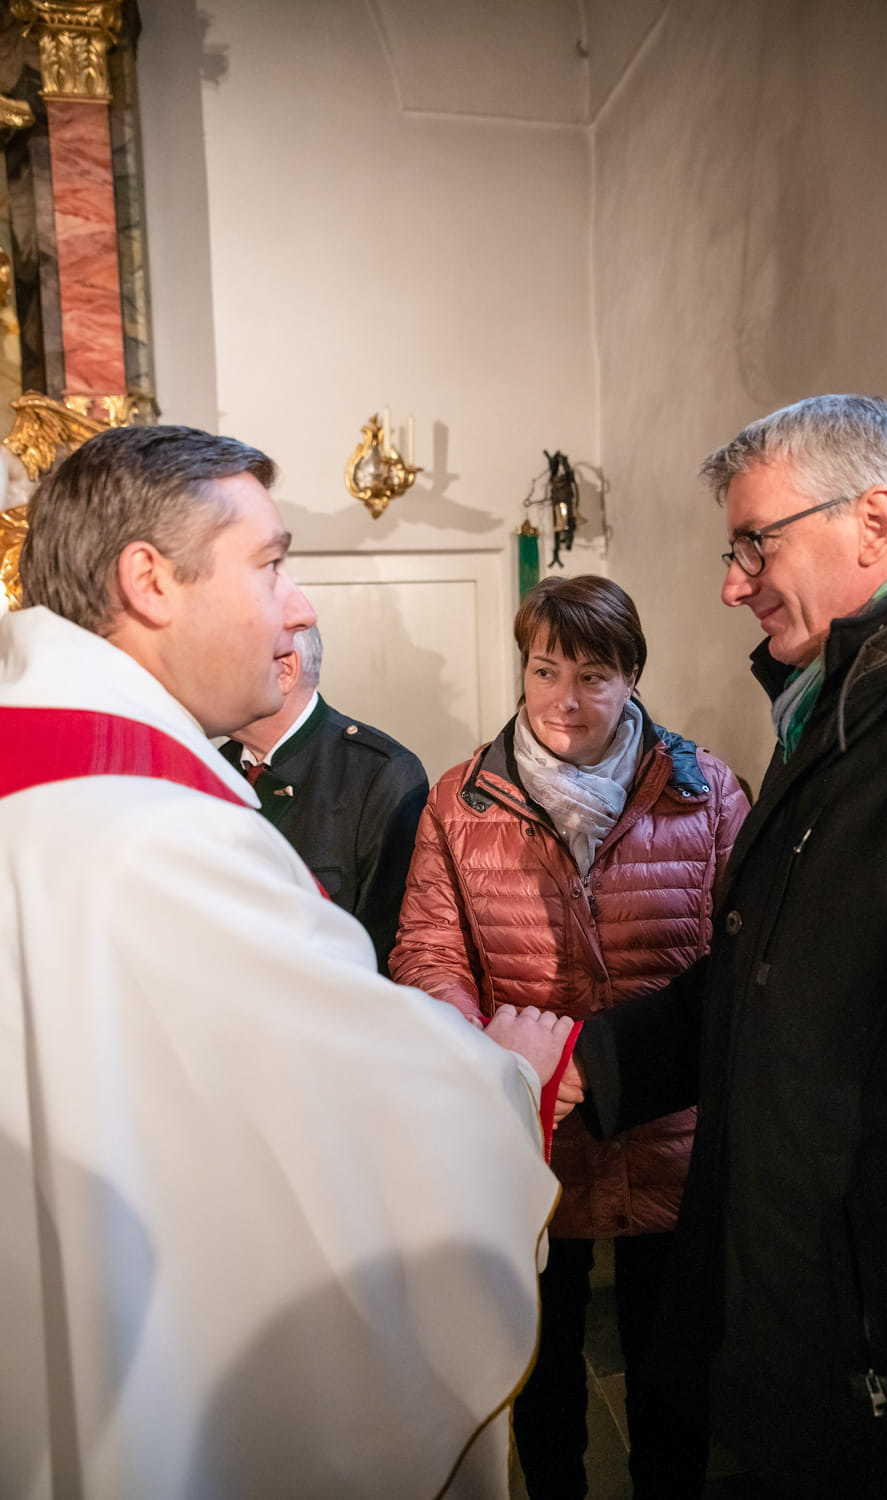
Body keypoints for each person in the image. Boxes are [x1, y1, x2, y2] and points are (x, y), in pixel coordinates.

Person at [0, 423, 573, 1500]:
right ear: (150, 582)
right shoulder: (157, 835)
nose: (293, 605)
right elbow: (349, 1107)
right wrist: (505, 1078)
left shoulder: (44, 771)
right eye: (269, 564)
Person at [542, 395, 887, 1498]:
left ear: (874, 522)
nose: (732, 583)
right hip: (783, 1325)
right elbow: (774, 982)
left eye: (757, 543)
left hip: (880, 1382)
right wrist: (586, 1063)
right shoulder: (840, 710)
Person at [391, 574, 748, 1500]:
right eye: (545, 670)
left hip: (670, 1131)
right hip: (531, 1133)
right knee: (542, 1381)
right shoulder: (461, 802)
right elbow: (428, 952)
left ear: (632, 677)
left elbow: (746, 956)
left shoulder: (705, 792)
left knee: (673, 1381)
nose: (564, 700)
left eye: (593, 676)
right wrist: (497, 1059)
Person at [219, 624, 428, 973]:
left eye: (219, 659)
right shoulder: (211, 767)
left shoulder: (379, 772)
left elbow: (385, 947)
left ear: (285, 669)